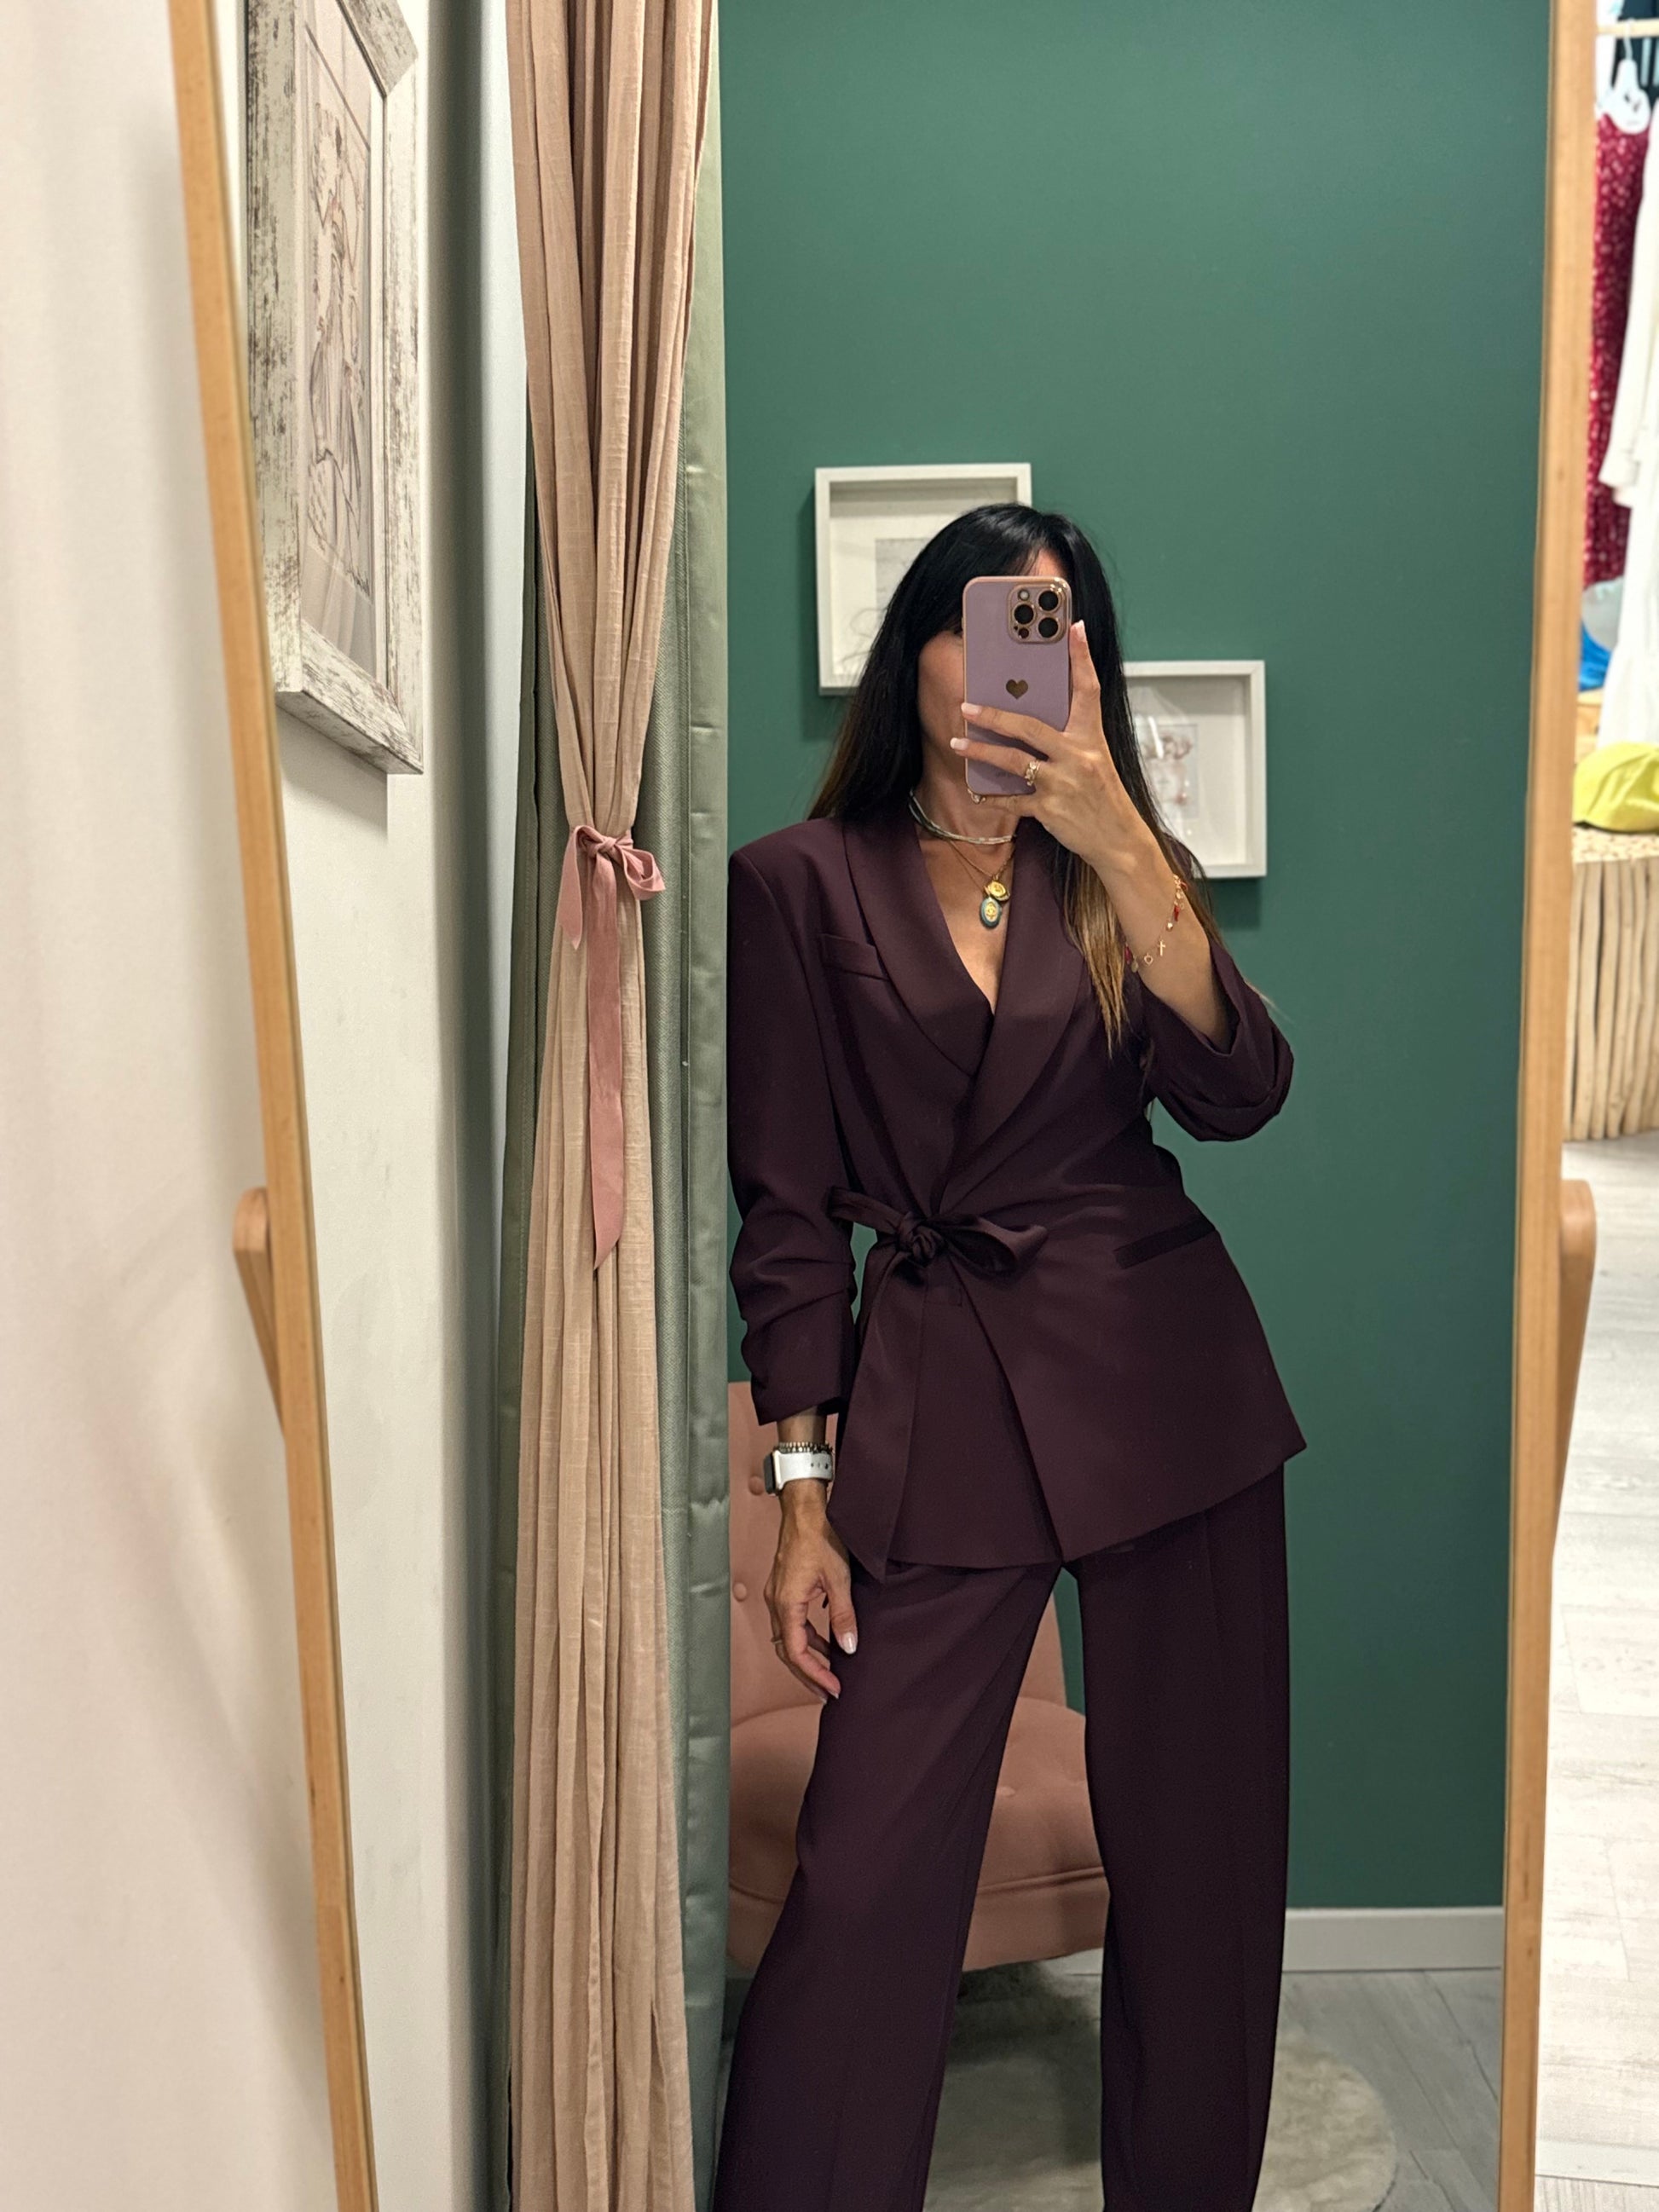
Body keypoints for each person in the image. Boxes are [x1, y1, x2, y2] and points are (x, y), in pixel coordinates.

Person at [713, 504, 1307, 2212]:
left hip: (1165, 1387)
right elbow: (785, 1218)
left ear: (1087, 670)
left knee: (1201, 1862)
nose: (1007, 661)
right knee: (865, 1876)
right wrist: (800, 1499)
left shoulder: (1112, 866)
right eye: (979, 621)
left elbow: (1242, 1093)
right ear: (913, 650)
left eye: (1052, 629)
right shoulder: (796, 883)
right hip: (936, 1394)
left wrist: (1118, 834)